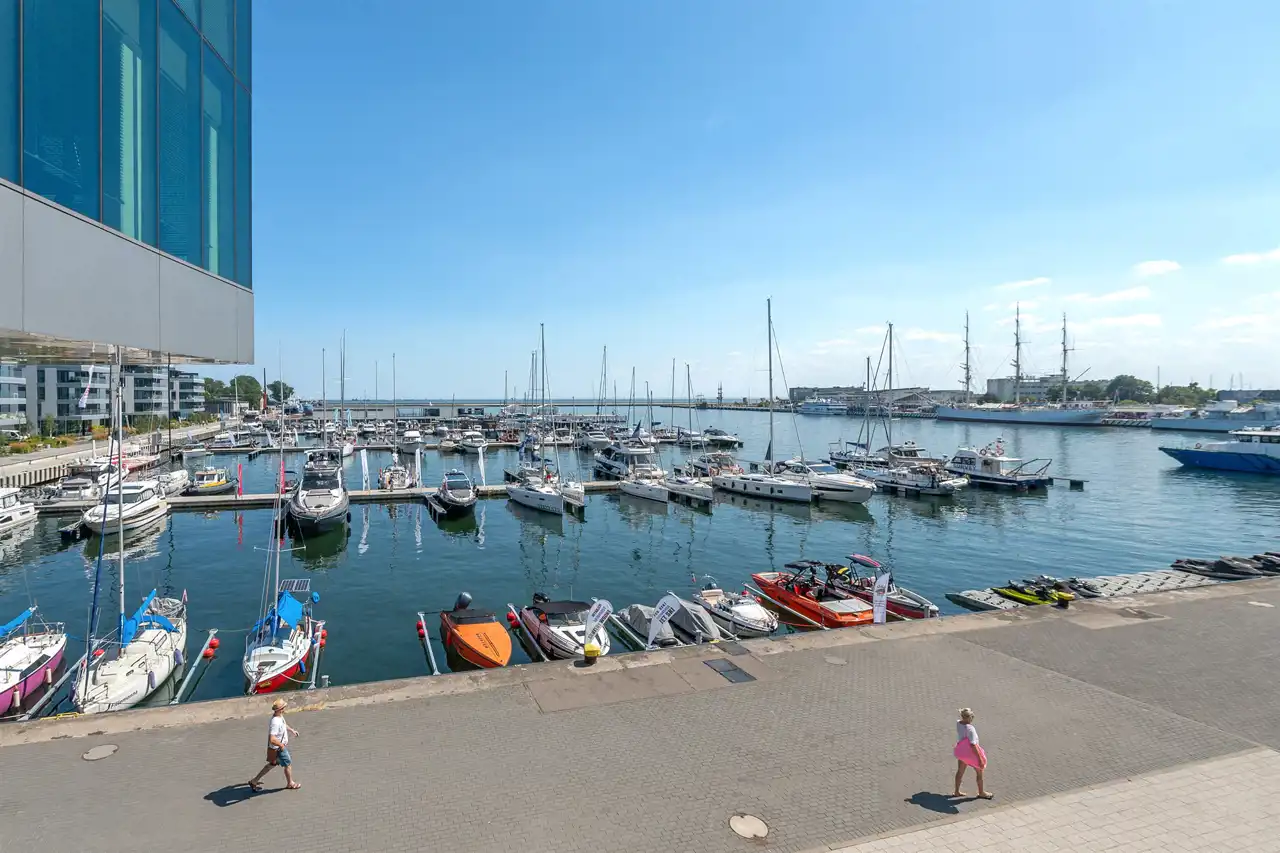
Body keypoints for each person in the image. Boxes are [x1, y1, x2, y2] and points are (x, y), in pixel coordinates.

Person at [248, 698, 301, 791]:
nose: (285, 708)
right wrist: (281, 745)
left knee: (272, 764)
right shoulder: (275, 722)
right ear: (281, 709)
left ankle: (254, 781)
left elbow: (284, 725)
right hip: (279, 749)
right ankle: (290, 783)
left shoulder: (280, 717)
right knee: (288, 764)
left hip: (275, 748)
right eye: (284, 707)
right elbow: (272, 739)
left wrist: (292, 730)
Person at [952, 707, 993, 799]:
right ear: (969, 718)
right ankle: (981, 792)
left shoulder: (958, 723)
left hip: (962, 752)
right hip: (970, 754)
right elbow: (973, 745)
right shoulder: (970, 729)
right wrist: (980, 759)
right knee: (979, 772)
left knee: (960, 771)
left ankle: (956, 791)